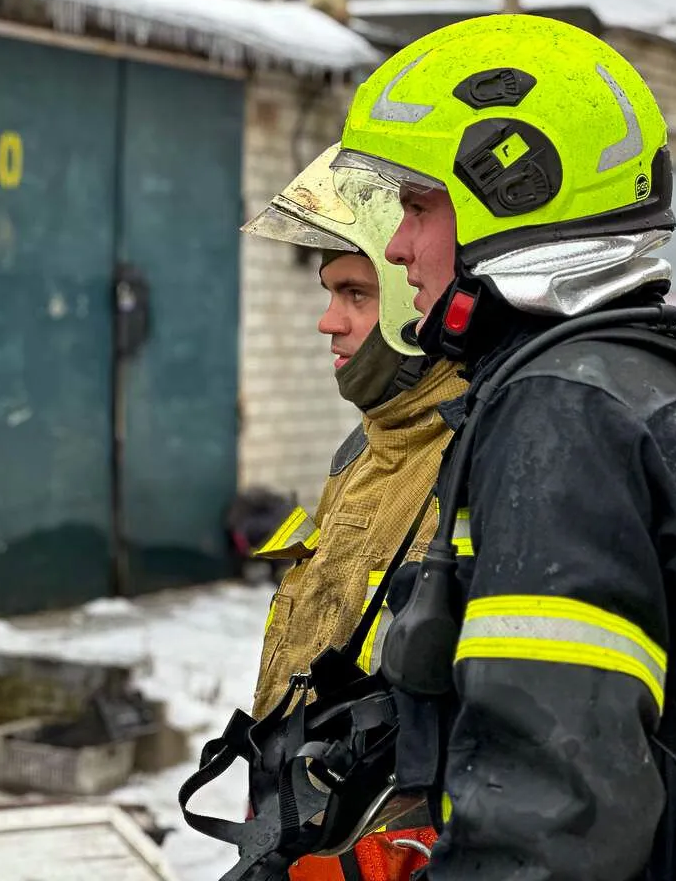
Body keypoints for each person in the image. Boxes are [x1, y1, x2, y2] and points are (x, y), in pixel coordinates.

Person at [329, 12, 676, 880]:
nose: (397, 246)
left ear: (515, 192)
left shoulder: (565, 414)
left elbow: (549, 824)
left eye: (419, 208)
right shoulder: (656, 383)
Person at [239, 142, 466, 881]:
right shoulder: (367, 450)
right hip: (309, 841)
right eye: (329, 294)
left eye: (355, 296)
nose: (327, 323)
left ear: (411, 300)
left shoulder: (476, 459)